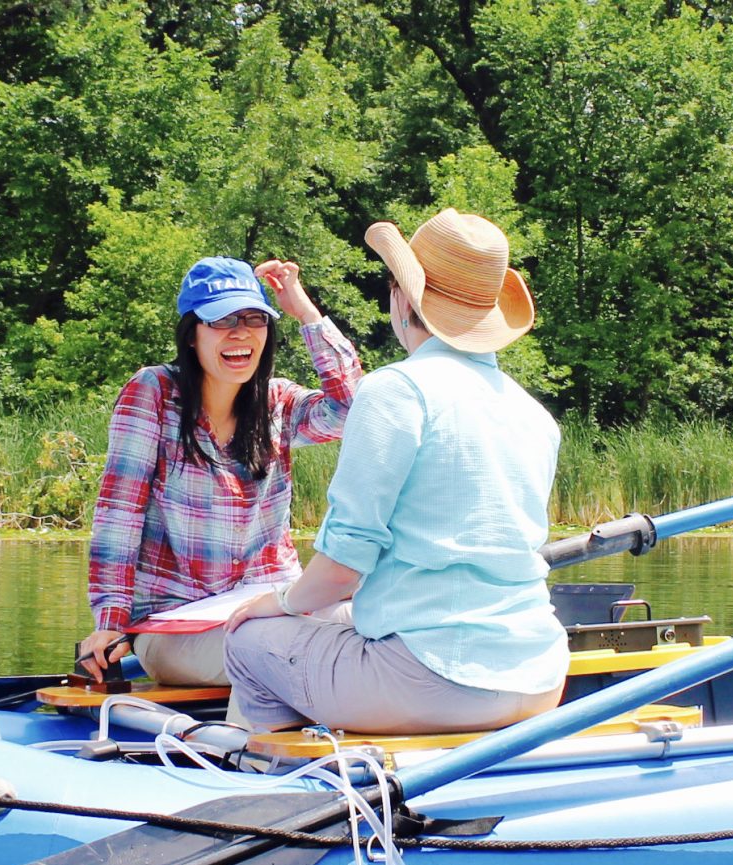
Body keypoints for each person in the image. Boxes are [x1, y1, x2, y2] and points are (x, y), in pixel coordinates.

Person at [221, 209, 566, 735]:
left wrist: (280, 601)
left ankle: (277, 781)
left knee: (247, 640)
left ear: (402, 298)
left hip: (435, 682)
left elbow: (343, 566)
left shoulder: (396, 390)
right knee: (332, 621)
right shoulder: (534, 415)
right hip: (541, 678)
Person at [78, 256, 363, 686]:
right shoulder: (153, 392)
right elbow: (119, 516)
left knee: (378, 620)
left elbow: (353, 410)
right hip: (176, 623)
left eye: (253, 318)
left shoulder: (278, 402)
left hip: (272, 605)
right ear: (192, 334)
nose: (240, 332)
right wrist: (112, 620)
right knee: (282, 647)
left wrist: (305, 311)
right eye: (222, 320)